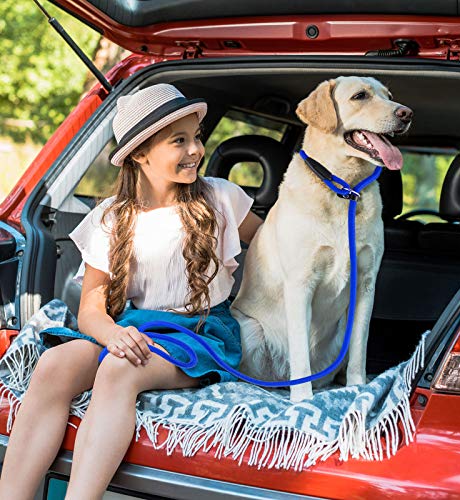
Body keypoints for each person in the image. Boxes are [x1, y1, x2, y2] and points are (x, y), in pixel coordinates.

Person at [0, 83, 263, 499]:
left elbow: (274, 247)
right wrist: (113, 334)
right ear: (140, 154)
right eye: (180, 140)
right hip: (134, 325)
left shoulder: (220, 198)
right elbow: (90, 309)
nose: (196, 149)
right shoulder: (110, 218)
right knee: (54, 366)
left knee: (118, 370)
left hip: (199, 332)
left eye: (197, 137)